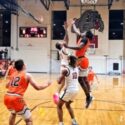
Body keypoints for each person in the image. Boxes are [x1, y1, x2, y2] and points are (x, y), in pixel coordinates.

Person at [4, 59, 52, 125]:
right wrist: (47, 84)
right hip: (16, 98)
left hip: (7, 97)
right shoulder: (27, 75)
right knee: (29, 120)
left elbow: (6, 86)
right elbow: (37, 88)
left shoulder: (13, 74)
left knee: (13, 113)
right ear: (23, 66)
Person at [64, 28, 94, 108]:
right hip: (83, 59)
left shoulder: (84, 39)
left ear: (86, 34)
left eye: (84, 31)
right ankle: (89, 94)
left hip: (81, 60)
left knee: (80, 80)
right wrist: (72, 25)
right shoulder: (85, 38)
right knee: (84, 79)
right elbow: (77, 31)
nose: (82, 31)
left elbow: (79, 47)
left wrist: (68, 46)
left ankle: (88, 97)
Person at [57, 55, 79, 125]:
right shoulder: (77, 69)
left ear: (69, 61)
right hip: (76, 90)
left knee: (59, 106)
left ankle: (61, 123)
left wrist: (60, 75)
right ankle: (74, 121)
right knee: (68, 105)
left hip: (69, 90)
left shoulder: (65, 70)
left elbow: (59, 81)